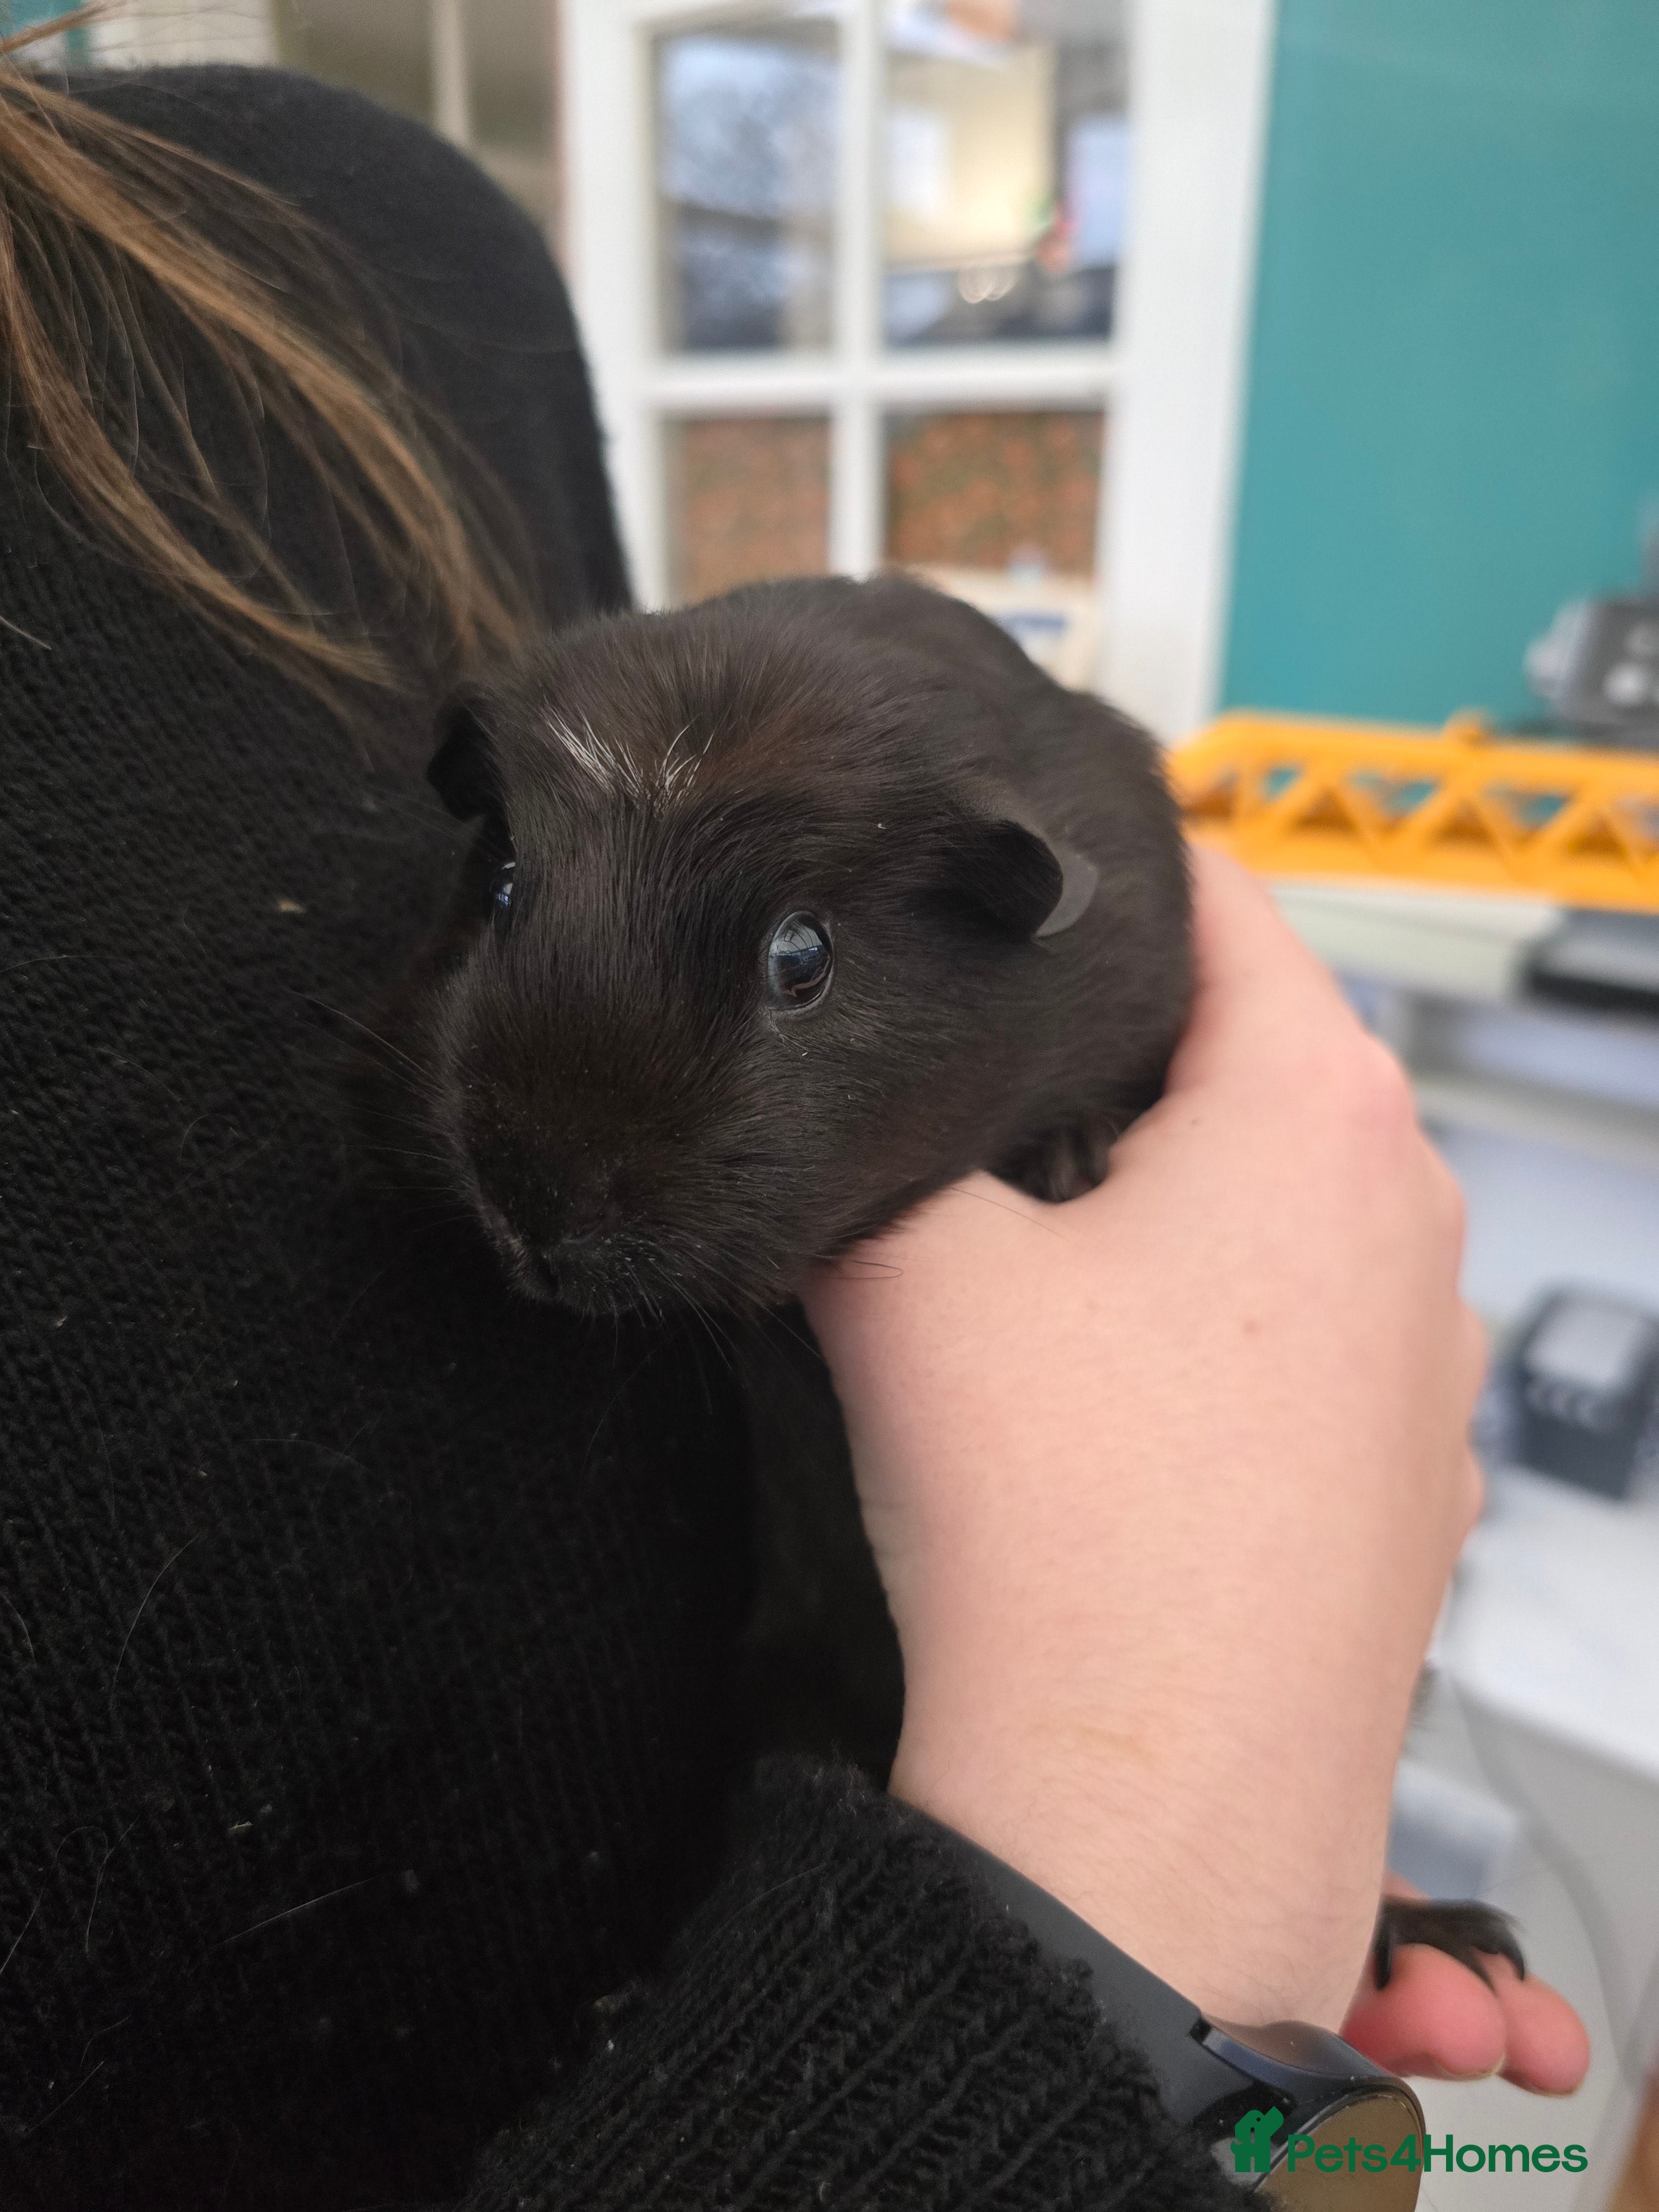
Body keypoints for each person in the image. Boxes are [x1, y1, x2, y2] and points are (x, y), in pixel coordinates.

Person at [0, 40, 1585, 2212]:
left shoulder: (376, 241)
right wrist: (1139, 1896)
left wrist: (1250, 1726)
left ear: (997, 902)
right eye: (514, 892)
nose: (539, 1149)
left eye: (795, 960)